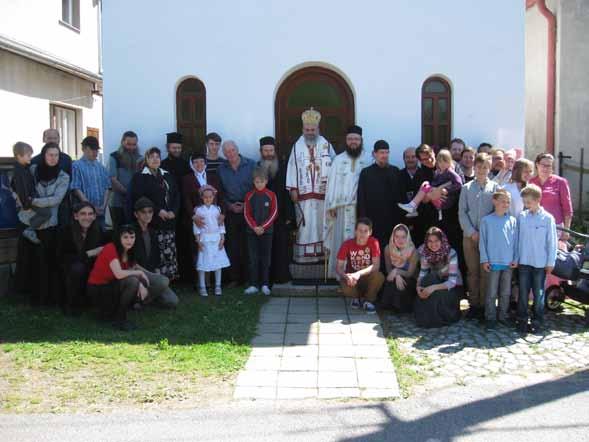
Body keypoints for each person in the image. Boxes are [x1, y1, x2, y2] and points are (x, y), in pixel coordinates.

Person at [15, 143, 70, 306]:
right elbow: (18, 186)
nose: (53, 158)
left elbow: (56, 199)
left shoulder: (63, 176)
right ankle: (30, 297)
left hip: (49, 224)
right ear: (44, 156)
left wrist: (34, 201)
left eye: (56, 155)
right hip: (28, 221)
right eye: (50, 155)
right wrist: (18, 197)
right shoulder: (32, 170)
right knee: (30, 261)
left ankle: (48, 298)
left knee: (47, 262)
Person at [286, 108, 336, 265]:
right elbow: (292, 167)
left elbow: (334, 166)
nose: (310, 132)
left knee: (323, 223)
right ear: (303, 129)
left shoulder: (326, 144)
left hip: (323, 193)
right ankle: (305, 257)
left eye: (313, 129)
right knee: (306, 225)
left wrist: (333, 189)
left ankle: (322, 255)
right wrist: (292, 188)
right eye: (307, 129)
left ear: (318, 129)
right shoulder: (297, 146)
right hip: (304, 194)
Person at [324, 125, 370, 278]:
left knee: (360, 241)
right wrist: (331, 204)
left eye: (356, 139)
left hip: (360, 208)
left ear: (361, 140)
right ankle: (341, 276)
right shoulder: (338, 160)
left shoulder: (368, 159)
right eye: (350, 139)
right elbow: (331, 183)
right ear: (346, 140)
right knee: (342, 241)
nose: (353, 142)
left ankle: (359, 276)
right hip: (341, 208)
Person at [458, 153, 498, 320]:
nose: (482, 170)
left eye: (485, 167)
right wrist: (471, 232)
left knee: (485, 272)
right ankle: (474, 304)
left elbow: (498, 212)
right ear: (474, 168)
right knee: (473, 271)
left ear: (489, 169)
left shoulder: (495, 188)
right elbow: (462, 212)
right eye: (479, 167)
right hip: (470, 237)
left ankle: (484, 305)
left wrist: (485, 233)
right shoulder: (466, 188)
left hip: (488, 239)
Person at [130, 147, 180, 279]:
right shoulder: (140, 177)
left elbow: (176, 195)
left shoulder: (167, 175)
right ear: (146, 160)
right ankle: (155, 279)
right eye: (151, 157)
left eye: (157, 157)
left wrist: (173, 211)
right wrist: (158, 211)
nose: (155, 159)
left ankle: (169, 279)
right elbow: (140, 197)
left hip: (169, 220)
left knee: (168, 250)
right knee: (154, 251)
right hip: (152, 221)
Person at [87, 225, 149, 331]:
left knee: (135, 281)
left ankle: (118, 316)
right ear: (119, 238)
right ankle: (120, 319)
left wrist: (141, 282)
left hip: (111, 286)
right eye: (125, 237)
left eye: (132, 237)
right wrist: (139, 275)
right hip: (98, 289)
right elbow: (119, 274)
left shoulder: (128, 251)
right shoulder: (110, 248)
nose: (129, 240)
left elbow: (130, 269)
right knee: (133, 281)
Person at [516, 184, 557, 335]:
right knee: (523, 291)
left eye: (529, 202)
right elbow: (517, 239)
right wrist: (516, 258)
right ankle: (521, 318)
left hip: (540, 263)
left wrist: (550, 262)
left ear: (538, 199)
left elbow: (551, 241)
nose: (526, 205)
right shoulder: (522, 217)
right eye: (525, 202)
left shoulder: (547, 219)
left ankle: (537, 319)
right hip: (524, 261)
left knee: (538, 292)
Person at [57, 202, 109, 315]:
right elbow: (64, 257)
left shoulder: (98, 230)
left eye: (90, 214)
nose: (87, 217)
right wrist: (91, 253)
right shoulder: (66, 231)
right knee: (78, 268)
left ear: (95, 216)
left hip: (90, 266)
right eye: (83, 214)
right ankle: (71, 305)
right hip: (70, 268)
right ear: (76, 216)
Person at [217, 140, 256, 286]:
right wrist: (229, 206)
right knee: (232, 245)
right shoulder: (221, 169)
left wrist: (247, 204)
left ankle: (248, 278)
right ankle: (234, 278)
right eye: (226, 152)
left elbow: (257, 186)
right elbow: (220, 192)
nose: (230, 154)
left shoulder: (251, 165)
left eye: (232, 150)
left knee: (248, 245)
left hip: (249, 209)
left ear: (237, 149)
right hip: (231, 210)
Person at [257, 136, 295, 284]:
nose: (268, 153)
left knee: (280, 247)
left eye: (271, 150)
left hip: (280, 214)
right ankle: (265, 279)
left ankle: (281, 276)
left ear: (275, 151)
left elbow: (288, 192)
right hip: (262, 216)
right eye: (265, 150)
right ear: (261, 151)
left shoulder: (283, 167)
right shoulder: (257, 167)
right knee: (264, 247)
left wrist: (289, 216)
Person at [479, 189, 518, 329]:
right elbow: (482, 242)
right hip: (493, 262)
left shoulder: (512, 221)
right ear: (494, 201)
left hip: (508, 263)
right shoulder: (486, 221)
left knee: (506, 292)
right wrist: (484, 260)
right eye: (503, 201)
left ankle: (503, 316)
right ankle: (490, 317)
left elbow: (516, 242)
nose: (506, 204)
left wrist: (516, 258)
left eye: (508, 202)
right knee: (491, 292)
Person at [132, 197, 179, 307]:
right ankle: (139, 297)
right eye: (143, 212)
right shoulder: (130, 231)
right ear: (136, 214)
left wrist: (155, 273)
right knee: (163, 281)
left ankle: (144, 299)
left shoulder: (152, 232)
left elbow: (155, 257)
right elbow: (130, 262)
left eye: (150, 212)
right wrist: (152, 276)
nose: (147, 215)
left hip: (150, 272)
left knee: (172, 301)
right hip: (135, 273)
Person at [357, 140, 401, 251]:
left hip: (392, 219)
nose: (384, 155)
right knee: (375, 249)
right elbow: (361, 198)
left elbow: (400, 197)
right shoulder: (366, 173)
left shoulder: (395, 171)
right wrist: (363, 220)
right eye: (382, 152)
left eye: (387, 152)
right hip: (373, 219)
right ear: (374, 154)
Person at [160, 132, 193, 282]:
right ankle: (172, 276)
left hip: (184, 210)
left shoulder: (186, 164)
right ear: (168, 148)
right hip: (169, 209)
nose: (177, 150)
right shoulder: (162, 165)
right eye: (174, 147)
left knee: (185, 242)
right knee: (171, 242)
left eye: (179, 147)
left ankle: (186, 275)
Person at [415, 227, 463, 328]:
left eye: (436, 241)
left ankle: (441, 317)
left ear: (442, 240)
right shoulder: (425, 253)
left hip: (452, 288)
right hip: (436, 282)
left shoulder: (451, 253)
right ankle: (425, 318)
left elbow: (452, 282)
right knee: (426, 281)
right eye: (430, 241)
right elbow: (422, 273)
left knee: (433, 285)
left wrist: (433, 288)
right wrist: (418, 287)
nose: (433, 244)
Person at [335, 218, 384, 314]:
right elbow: (339, 267)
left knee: (379, 276)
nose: (362, 234)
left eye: (366, 231)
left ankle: (368, 301)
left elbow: (376, 265)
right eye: (360, 230)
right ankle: (356, 298)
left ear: (370, 232)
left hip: (367, 277)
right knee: (343, 284)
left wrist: (358, 274)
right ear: (355, 231)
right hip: (352, 280)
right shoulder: (347, 244)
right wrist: (346, 276)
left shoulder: (374, 242)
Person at [398, 149, 462, 219]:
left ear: (449, 162)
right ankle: (413, 206)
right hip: (435, 203)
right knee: (426, 184)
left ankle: (412, 206)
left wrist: (446, 189)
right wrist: (433, 189)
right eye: (440, 162)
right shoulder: (438, 172)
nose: (442, 164)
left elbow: (459, 183)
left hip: (445, 202)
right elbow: (435, 183)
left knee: (426, 185)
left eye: (445, 161)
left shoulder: (450, 171)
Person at [243, 168, 278, 295]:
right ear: (253, 182)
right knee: (253, 258)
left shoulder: (271, 195)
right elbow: (247, 214)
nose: (259, 184)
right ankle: (253, 284)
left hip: (267, 232)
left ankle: (265, 284)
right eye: (257, 182)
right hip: (252, 233)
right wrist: (255, 227)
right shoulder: (249, 195)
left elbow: (274, 213)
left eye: (261, 182)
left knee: (266, 259)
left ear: (266, 181)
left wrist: (263, 227)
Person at [10, 142, 51, 244]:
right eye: (28, 155)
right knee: (47, 213)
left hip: (30, 198)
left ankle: (31, 228)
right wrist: (26, 205)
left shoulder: (23, 168)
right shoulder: (19, 171)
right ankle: (30, 230)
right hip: (28, 200)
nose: (30, 157)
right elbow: (21, 189)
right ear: (19, 156)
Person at [193, 185, 230, 296]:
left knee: (217, 263)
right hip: (204, 239)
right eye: (205, 197)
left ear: (213, 197)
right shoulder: (198, 210)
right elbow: (196, 227)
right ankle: (202, 286)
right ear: (202, 198)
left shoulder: (217, 209)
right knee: (203, 263)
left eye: (210, 197)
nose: (208, 199)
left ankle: (218, 286)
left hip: (216, 238)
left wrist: (222, 238)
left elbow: (221, 224)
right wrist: (198, 241)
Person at [529, 153, 573, 237]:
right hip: (534, 225)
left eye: (549, 165)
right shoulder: (531, 182)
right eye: (543, 165)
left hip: (555, 226)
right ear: (537, 165)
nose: (545, 168)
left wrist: (567, 229)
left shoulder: (560, 182)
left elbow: (567, 208)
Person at [71, 136, 111, 227]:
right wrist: (90, 207)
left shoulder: (101, 167)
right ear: (84, 149)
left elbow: (107, 187)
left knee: (100, 236)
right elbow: (76, 188)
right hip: (84, 212)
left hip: (100, 211)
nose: (95, 152)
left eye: (96, 149)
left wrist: (103, 206)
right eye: (92, 149)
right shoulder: (76, 166)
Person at [380, 224, 418, 313]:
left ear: (407, 237)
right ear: (393, 237)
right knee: (391, 282)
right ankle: (390, 306)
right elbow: (389, 270)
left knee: (403, 282)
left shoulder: (413, 251)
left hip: (410, 277)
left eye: (403, 237)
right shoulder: (388, 248)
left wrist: (397, 271)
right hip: (393, 275)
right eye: (397, 236)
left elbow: (410, 273)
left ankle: (403, 307)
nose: (400, 240)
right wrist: (396, 275)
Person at [108, 130, 141, 228]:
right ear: (122, 142)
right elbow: (112, 179)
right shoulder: (113, 157)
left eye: (134, 144)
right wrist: (127, 193)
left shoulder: (140, 158)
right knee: (119, 232)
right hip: (118, 203)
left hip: (134, 203)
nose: (131, 147)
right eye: (128, 144)